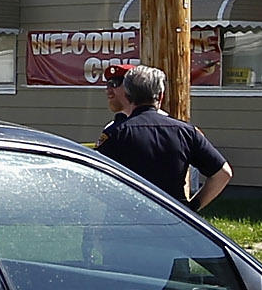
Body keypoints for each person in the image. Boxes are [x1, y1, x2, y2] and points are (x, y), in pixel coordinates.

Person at [97, 63, 230, 207]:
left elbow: (96, 178)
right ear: (161, 96)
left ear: (128, 96)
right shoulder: (185, 132)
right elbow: (223, 174)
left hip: (130, 217)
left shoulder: (115, 133)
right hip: (173, 219)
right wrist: (192, 208)